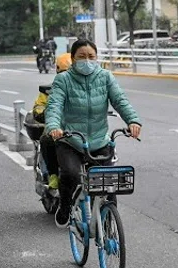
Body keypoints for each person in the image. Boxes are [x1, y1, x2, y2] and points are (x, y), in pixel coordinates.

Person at [45, 40, 142, 227]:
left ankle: (108, 224)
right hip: (70, 140)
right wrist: (54, 127)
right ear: (73, 59)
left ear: (97, 58)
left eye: (91, 56)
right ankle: (64, 207)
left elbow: (120, 100)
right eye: (81, 57)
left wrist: (133, 121)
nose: (87, 60)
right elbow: (54, 105)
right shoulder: (63, 80)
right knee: (71, 175)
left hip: (99, 140)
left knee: (109, 183)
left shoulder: (105, 77)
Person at [32, 60, 71, 189]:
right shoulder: (48, 90)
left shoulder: (86, 87)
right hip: (57, 129)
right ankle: (53, 175)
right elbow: (39, 107)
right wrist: (43, 113)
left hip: (79, 129)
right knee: (47, 140)